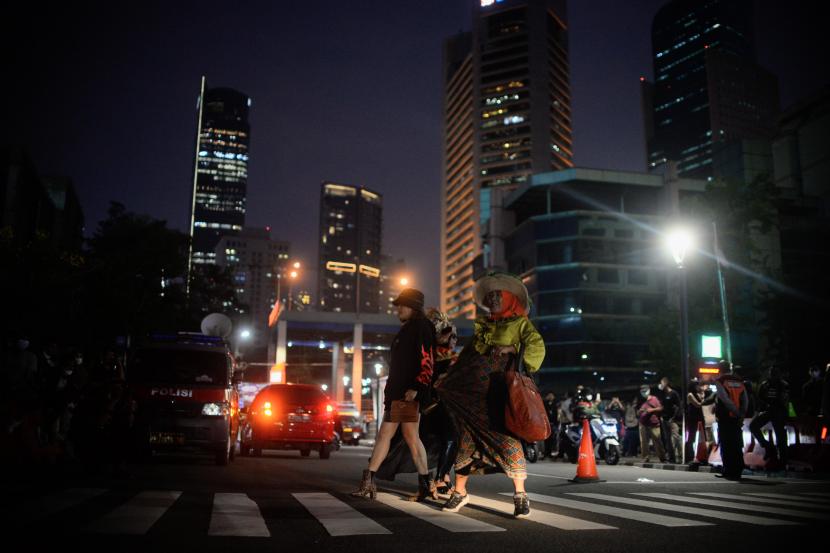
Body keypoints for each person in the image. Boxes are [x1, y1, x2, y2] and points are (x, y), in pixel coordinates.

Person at [434, 272, 545, 517]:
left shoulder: (521, 324)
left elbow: (536, 348)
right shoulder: (484, 326)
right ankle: (460, 493)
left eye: (497, 295)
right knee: (466, 442)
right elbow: (467, 358)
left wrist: (511, 348)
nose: (492, 299)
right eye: (490, 296)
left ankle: (520, 496)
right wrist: (449, 377)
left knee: (507, 440)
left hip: (499, 397)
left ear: (510, 298)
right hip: (474, 398)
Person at [352, 288, 436, 501]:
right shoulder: (409, 328)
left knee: (394, 435)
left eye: (402, 305)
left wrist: (417, 387)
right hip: (399, 394)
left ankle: (370, 482)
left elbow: (427, 361)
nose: (398, 309)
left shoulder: (422, 327)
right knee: (406, 437)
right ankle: (424, 484)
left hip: (407, 394)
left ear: (413, 307)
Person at [714, 361, 749, 480]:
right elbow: (745, 399)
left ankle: (728, 470)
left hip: (725, 417)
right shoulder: (739, 381)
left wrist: (735, 412)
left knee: (726, 444)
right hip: (736, 419)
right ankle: (738, 469)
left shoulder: (720, 381)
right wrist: (741, 414)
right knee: (737, 443)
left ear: (719, 369)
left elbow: (725, 399)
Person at [749, 366, 790, 465]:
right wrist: (758, 412)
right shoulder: (765, 385)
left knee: (780, 437)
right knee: (753, 426)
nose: (772, 375)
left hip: (779, 412)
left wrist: (788, 414)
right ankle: (768, 447)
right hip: (768, 412)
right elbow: (760, 399)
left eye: (774, 373)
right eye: (771, 373)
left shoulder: (783, 385)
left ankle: (782, 460)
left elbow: (786, 400)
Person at [686, 379, 714, 463]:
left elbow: (702, 401)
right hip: (693, 418)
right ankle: (689, 456)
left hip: (700, 417)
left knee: (702, 437)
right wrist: (706, 400)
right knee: (692, 437)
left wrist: (703, 395)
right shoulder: (690, 395)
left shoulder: (700, 394)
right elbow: (697, 405)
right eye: (697, 385)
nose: (698, 387)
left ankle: (701, 455)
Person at [636, 385, 666, 463]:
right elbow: (637, 412)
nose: (643, 393)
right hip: (643, 423)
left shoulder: (654, 399)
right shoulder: (640, 400)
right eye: (642, 391)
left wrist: (651, 410)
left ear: (649, 391)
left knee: (657, 440)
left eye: (645, 391)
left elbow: (661, 408)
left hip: (653, 423)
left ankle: (662, 457)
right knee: (644, 442)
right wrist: (640, 411)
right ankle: (646, 457)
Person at [656, 377, 682, 463]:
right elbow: (662, 406)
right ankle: (672, 458)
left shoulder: (673, 393)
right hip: (664, 419)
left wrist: (673, 418)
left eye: (662, 383)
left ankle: (681, 456)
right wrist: (661, 417)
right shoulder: (663, 394)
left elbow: (678, 406)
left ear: (666, 383)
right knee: (668, 440)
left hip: (672, 420)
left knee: (675, 438)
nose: (661, 385)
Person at [542, 392, 559, 459]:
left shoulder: (556, 404)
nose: (550, 397)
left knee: (554, 439)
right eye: (549, 395)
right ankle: (546, 453)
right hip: (546, 423)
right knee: (546, 439)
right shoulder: (544, 403)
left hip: (554, 423)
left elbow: (557, 414)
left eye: (552, 395)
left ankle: (553, 454)